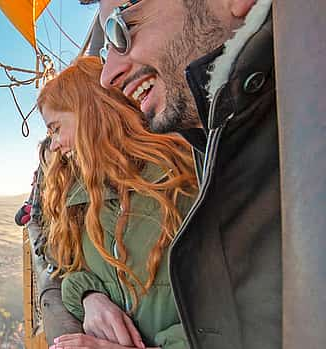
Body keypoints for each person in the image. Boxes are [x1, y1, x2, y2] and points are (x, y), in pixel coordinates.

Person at [83, 0, 280, 348]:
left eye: (121, 27)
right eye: (103, 53)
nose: (107, 75)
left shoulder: (289, 141)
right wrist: (88, 295)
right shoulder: (216, 146)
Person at [39, 57, 198, 349]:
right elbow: (75, 267)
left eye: (56, 128)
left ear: (91, 113)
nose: (54, 145)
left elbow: (232, 314)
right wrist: (90, 296)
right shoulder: (89, 200)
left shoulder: (182, 181)